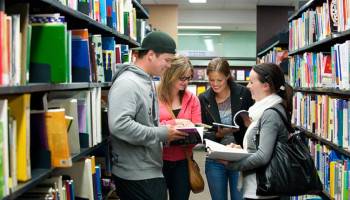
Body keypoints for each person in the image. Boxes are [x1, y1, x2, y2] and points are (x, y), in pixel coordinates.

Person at [108, 31, 188, 200]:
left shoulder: (146, 81)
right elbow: (119, 125)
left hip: (148, 170)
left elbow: (145, 122)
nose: (168, 66)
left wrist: (167, 131)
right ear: (151, 55)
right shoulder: (128, 83)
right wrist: (163, 133)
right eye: (166, 60)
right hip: (137, 174)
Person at [224, 63, 293, 200]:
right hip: (260, 187)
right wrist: (239, 151)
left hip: (264, 190)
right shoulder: (263, 111)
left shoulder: (270, 114)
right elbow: (261, 147)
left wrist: (233, 165)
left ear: (265, 86)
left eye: (251, 82)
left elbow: (262, 156)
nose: (248, 86)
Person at [198, 57, 253, 200]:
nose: (215, 84)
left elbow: (252, 124)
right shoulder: (203, 98)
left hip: (239, 156)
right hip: (215, 157)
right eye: (211, 80)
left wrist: (248, 123)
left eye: (219, 80)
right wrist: (218, 134)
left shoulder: (243, 93)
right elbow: (202, 132)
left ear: (228, 76)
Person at [157, 55, 202, 200]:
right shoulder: (154, 96)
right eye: (182, 78)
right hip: (157, 161)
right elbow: (148, 126)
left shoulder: (192, 99)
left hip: (183, 160)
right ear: (171, 74)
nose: (186, 82)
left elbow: (197, 127)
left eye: (188, 78)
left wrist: (191, 132)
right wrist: (173, 124)